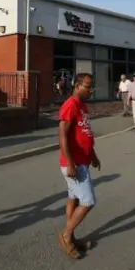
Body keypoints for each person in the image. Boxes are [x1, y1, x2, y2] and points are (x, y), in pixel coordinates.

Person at [58, 73, 101, 259]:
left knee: (73, 199)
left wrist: (93, 155)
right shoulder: (70, 105)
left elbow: (84, 133)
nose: (90, 90)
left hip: (82, 160)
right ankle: (66, 235)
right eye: (87, 86)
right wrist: (70, 163)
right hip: (74, 164)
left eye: (91, 87)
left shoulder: (82, 106)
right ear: (76, 85)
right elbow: (63, 137)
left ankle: (72, 237)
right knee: (88, 201)